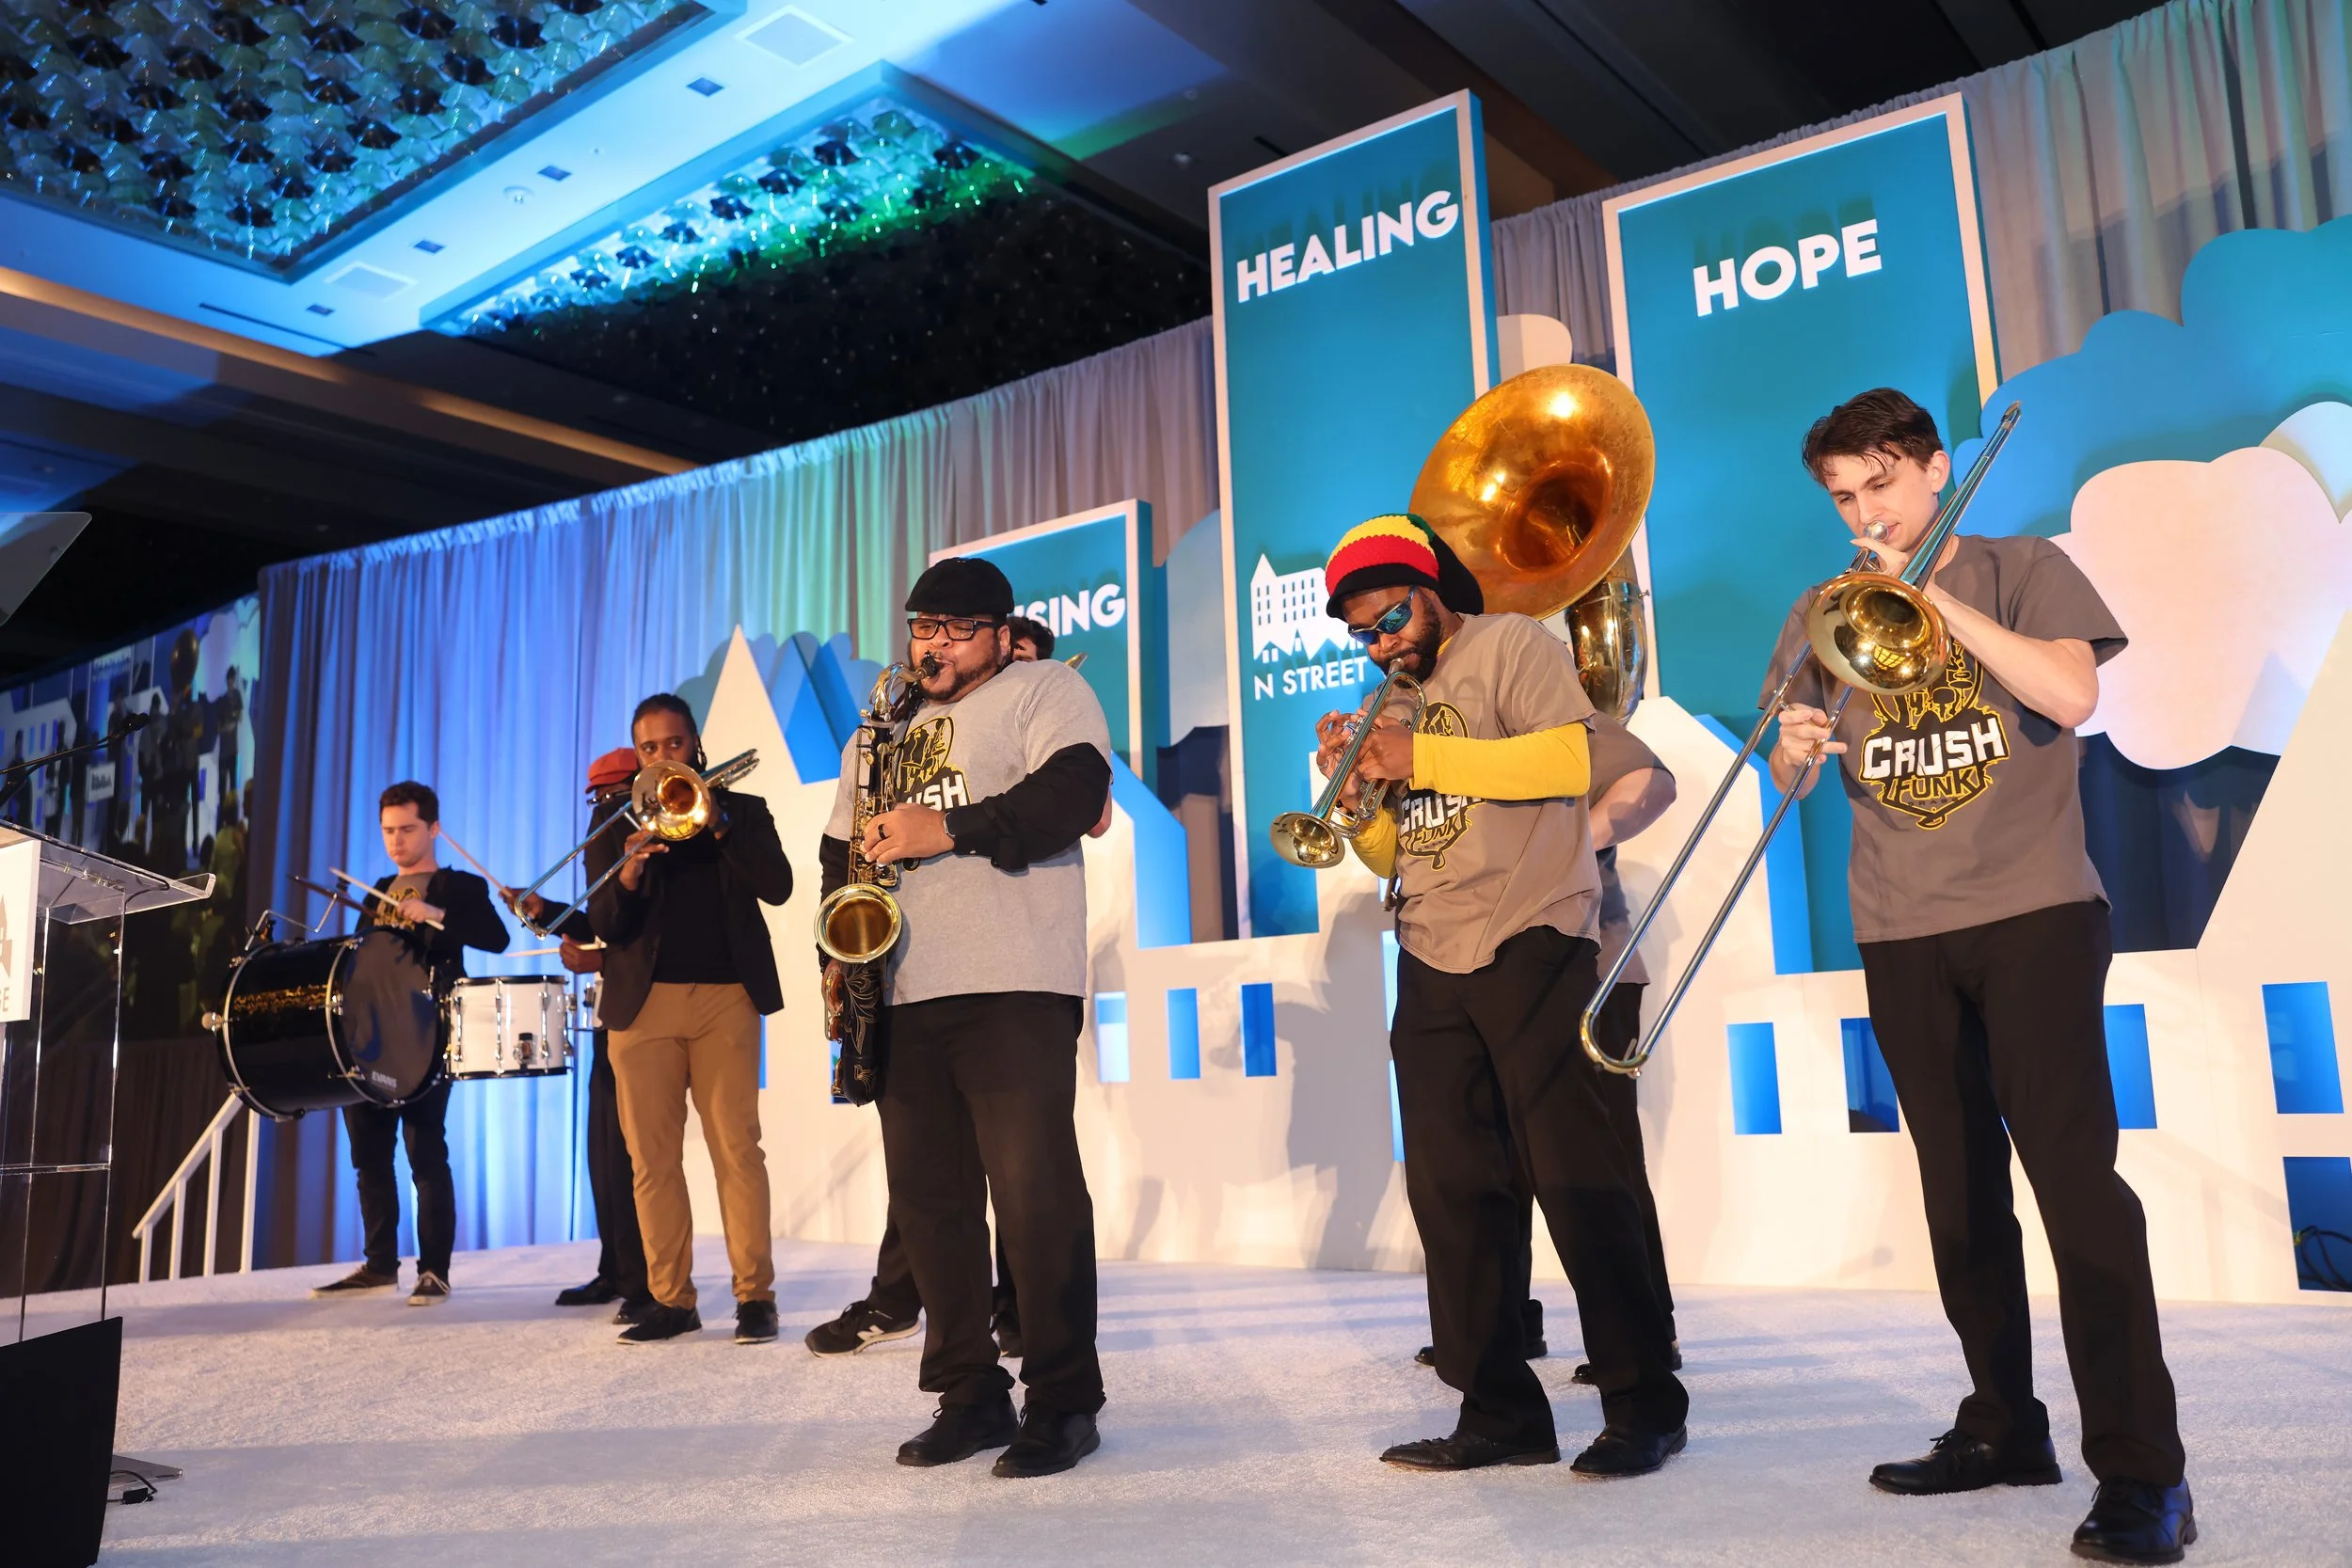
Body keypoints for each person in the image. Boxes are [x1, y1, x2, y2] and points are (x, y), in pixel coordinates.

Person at [1765, 388, 2190, 1563]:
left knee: (2075, 1189)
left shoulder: (2016, 563)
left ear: (1935, 468)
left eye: (1881, 484)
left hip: (2034, 911)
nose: (1866, 512)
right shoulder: (1822, 610)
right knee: (1957, 1196)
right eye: (1845, 497)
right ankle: (2004, 1423)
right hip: (1898, 927)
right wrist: (1796, 746)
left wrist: (1931, 595)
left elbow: (2070, 694)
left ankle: (2146, 1472)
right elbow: (1794, 775)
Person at [1319, 513, 1686, 1477]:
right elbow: (1399, 850)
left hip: (1533, 933)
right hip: (1430, 945)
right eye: (1363, 632)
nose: (1382, 641)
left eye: (1391, 615)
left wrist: (1418, 756)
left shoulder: (1512, 644)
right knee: (1453, 1192)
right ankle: (1498, 1411)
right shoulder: (1389, 702)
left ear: (1430, 587)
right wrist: (1361, 798)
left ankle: (1644, 1401)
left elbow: (1567, 760)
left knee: (1577, 1176)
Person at [819, 556, 1112, 1477]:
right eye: (920, 626)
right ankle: (969, 1391)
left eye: (952, 628)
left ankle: (1063, 1399)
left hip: (1014, 981)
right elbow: (839, 849)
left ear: (996, 631)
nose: (931, 644)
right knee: (930, 1205)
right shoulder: (879, 728)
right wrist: (836, 955)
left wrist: (942, 828)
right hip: (902, 988)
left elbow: (1071, 796)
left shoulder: (1043, 693)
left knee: (1035, 1197)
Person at [1410, 712, 1681, 1382]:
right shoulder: (1438, 725)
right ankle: (1504, 1324)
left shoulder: (1550, 710)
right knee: (1494, 1159)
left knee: (1599, 1159)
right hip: (1491, 967)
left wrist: (1558, 849)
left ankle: (1650, 1334)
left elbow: (1653, 783)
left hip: (1589, 963)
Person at [587, 695, 793, 1347]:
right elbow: (604, 926)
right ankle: (671, 1298)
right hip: (641, 1007)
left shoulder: (743, 811)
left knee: (737, 1148)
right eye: (648, 748)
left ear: (695, 744)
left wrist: (721, 824)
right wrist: (627, 872)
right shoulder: (614, 819)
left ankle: (755, 1295)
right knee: (651, 1159)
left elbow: (780, 885)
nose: (661, 757)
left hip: (726, 996)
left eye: (673, 744)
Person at [311, 781, 510, 1307]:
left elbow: (497, 938)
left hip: (428, 1034)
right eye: (387, 831)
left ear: (433, 829)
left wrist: (435, 915)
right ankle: (379, 1265)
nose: (396, 841)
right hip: (371, 1037)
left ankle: (434, 1271)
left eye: (407, 830)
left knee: (426, 1153)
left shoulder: (457, 886)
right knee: (369, 1156)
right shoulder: (377, 887)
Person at [507, 747, 651, 1324]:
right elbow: (604, 919)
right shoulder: (606, 832)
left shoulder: (648, 828)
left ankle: (650, 1280)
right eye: (596, 796)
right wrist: (544, 912)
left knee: (637, 1157)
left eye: (614, 793)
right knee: (603, 1153)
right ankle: (616, 1268)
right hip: (612, 1011)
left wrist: (599, 960)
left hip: (648, 1009)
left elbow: (645, 925)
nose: (603, 806)